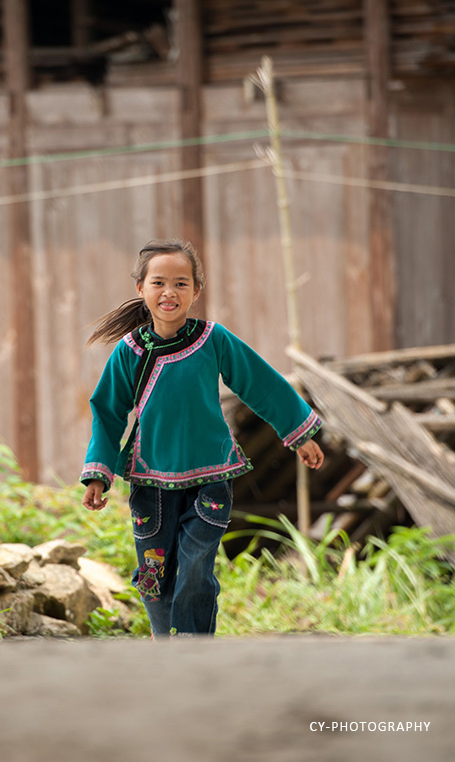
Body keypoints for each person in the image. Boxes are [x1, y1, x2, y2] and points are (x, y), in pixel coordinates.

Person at [80, 238, 324, 638]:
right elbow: (107, 414)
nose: (169, 292)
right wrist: (98, 473)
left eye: (180, 283)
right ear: (140, 288)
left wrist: (298, 434)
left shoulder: (212, 339)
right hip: (150, 481)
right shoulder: (129, 352)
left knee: (196, 568)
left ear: (197, 291)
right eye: (159, 283)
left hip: (210, 475)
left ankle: (194, 651)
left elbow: (260, 383)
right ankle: (167, 651)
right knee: (155, 575)